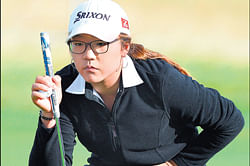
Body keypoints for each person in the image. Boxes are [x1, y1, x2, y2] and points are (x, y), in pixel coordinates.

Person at [29, 0, 244, 165]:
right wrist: (49, 117)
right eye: (78, 44)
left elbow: (230, 120)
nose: (89, 55)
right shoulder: (63, 87)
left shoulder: (160, 80)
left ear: (124, 47)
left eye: (100, 44)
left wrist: (176, 163)